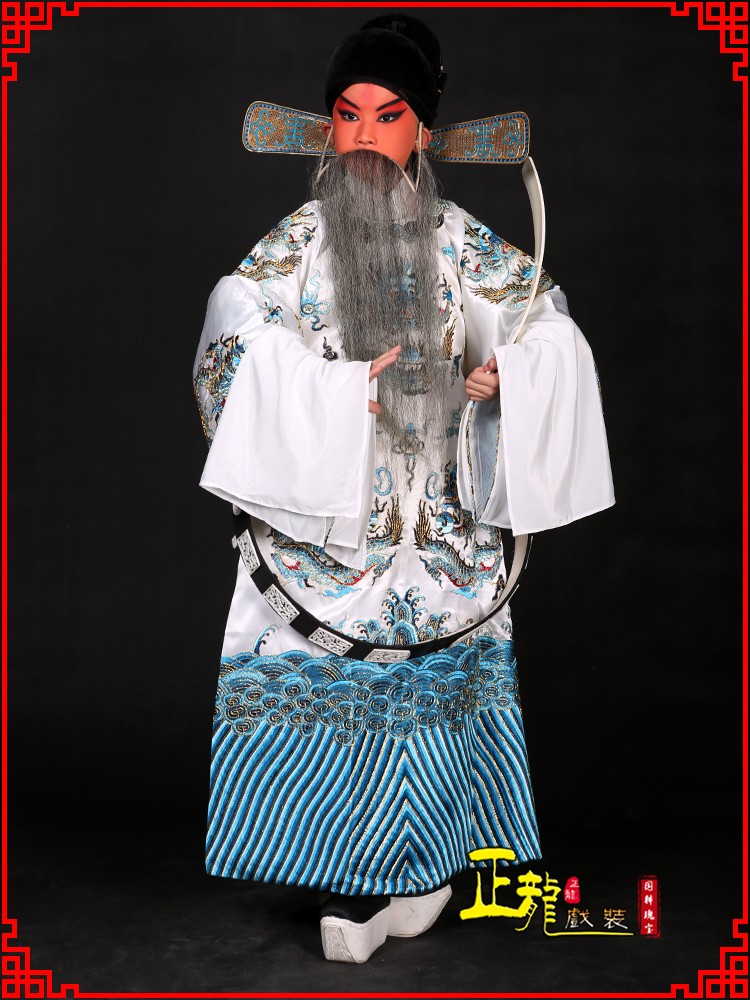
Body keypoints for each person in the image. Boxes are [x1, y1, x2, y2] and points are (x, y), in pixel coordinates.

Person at [193, 13, 614, 964]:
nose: (365, 137)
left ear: (422, 130)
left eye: (388, 117)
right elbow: (232, 336)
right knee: (335, 697)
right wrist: (331, 392)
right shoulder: (298, 246)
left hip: (440, 529)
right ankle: (353, 873)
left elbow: (545, 321)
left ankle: (422, 870)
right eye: (348, 115)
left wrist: (511, 372)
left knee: (431, 699)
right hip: (328, 538)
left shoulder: (460, 243)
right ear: (327, 126)